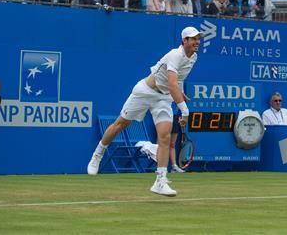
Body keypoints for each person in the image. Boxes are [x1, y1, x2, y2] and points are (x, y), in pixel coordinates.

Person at [87, 27, 202, 197]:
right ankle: (98, 154)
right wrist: (184, 110)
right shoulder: (174, 55)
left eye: (198, 39)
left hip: (163, 99)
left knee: (165, 136)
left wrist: (179, 92)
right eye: (193, 39)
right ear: (184, 40)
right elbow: (171, 83)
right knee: (121, 124)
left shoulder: (194, 57)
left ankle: (160, 182)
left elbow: (176, 81)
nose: (197, 42)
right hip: (145, 91)